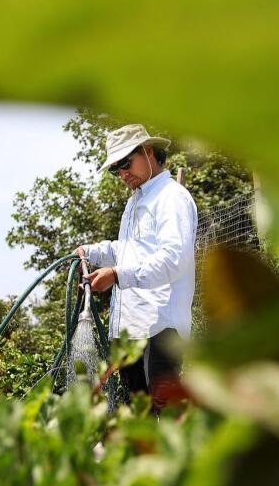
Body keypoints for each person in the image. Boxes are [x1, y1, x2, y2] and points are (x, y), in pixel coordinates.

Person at [76, 124, 197, 412]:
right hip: (132, 329)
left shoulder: (171, 198)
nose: (122, 174)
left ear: (148, 151)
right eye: (115, 169)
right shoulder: (136, 201)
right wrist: (90, 252)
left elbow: (173, 259)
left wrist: (117, 275)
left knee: (162, 415)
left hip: (160, 329)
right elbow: (127, 250)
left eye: (125, 163)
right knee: (136, 416)